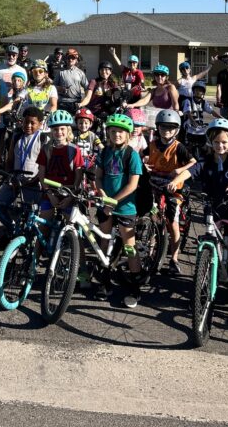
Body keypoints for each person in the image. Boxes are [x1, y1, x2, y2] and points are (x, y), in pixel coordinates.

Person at [186, 118, 228, 308]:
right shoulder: (206, 161)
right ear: (210, 141)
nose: (220, 145)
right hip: (213, 208)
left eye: (224, 142)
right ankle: (207, 280)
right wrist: (176, 181)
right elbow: (190, 171)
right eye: (216, 142)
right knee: (209, 243)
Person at [92, 113, 144, 308]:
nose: (117, 134)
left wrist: (113, 201)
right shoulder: (104, 152)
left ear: (128, 134)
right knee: (103, 243)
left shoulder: (132, 155)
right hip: (106, 205)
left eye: (121, 131)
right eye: (113, 131)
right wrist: (103, 194)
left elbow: (132, 185)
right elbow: (98, 177)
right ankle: (104, 281)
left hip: (125, 207)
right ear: (108, 132)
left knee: (130, 247)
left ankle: (135, 286)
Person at [144, 109, 196, 274]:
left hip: (172, 187)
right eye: (164, 127)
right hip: (154, 184)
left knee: (172, 223)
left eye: (171, 128)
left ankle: (174, 257)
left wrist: (180, 170)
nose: (167, 131)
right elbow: (141, 157)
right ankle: (150, 249)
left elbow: (193, 162)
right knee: (149, 215)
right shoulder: (151, 145)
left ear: (177, 129)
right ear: (158, 128)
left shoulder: (178, 147)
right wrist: (143, 164)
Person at [0, 106, 50, 229]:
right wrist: (11, 177)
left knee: (29, 215)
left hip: (33, 182)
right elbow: (10, 160)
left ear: (40, 124)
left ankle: (24, 238)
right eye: (25, 122)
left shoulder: (43, 139)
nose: (28, 125)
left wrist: (34, 180)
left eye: (32, 123)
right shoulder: (17, 135)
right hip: (15, 179)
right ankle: (12, 229)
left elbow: (46, 166)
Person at [38, 110, 83, 221]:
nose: (59, 132)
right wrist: (50, 195)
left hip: (69, 193)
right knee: (43, 226)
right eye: (55, 129)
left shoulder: (74, 150)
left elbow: (78, 177)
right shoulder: (46, 149)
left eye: (62, 129)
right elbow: (41, 175)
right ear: (51, 131)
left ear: (68, 130)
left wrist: (69, 197)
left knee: (70, 226)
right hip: (49, 193)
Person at [53, 48, 89, 115]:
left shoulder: (80, 73)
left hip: (76, 103)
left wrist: (84, 102)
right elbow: (52, 87)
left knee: (75, 123)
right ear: (66, 59)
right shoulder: (60, 72)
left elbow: (87, 88)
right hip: (62, 103)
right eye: (69, 57)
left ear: (76, 59)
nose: (70, 60)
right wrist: (60, 88)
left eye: (73, 58)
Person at [73, 108, 104, 180]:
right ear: (76, 123)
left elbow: (100, 146)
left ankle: (93, 190)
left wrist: (105, 151)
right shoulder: (74, 135)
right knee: (76, 177)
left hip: (90, 161)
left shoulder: (92, 135)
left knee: (93, 178)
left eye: (86, 123)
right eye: (80, 123)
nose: (83, 125)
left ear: (91, 124)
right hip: (77, 160)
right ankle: (76, 189)